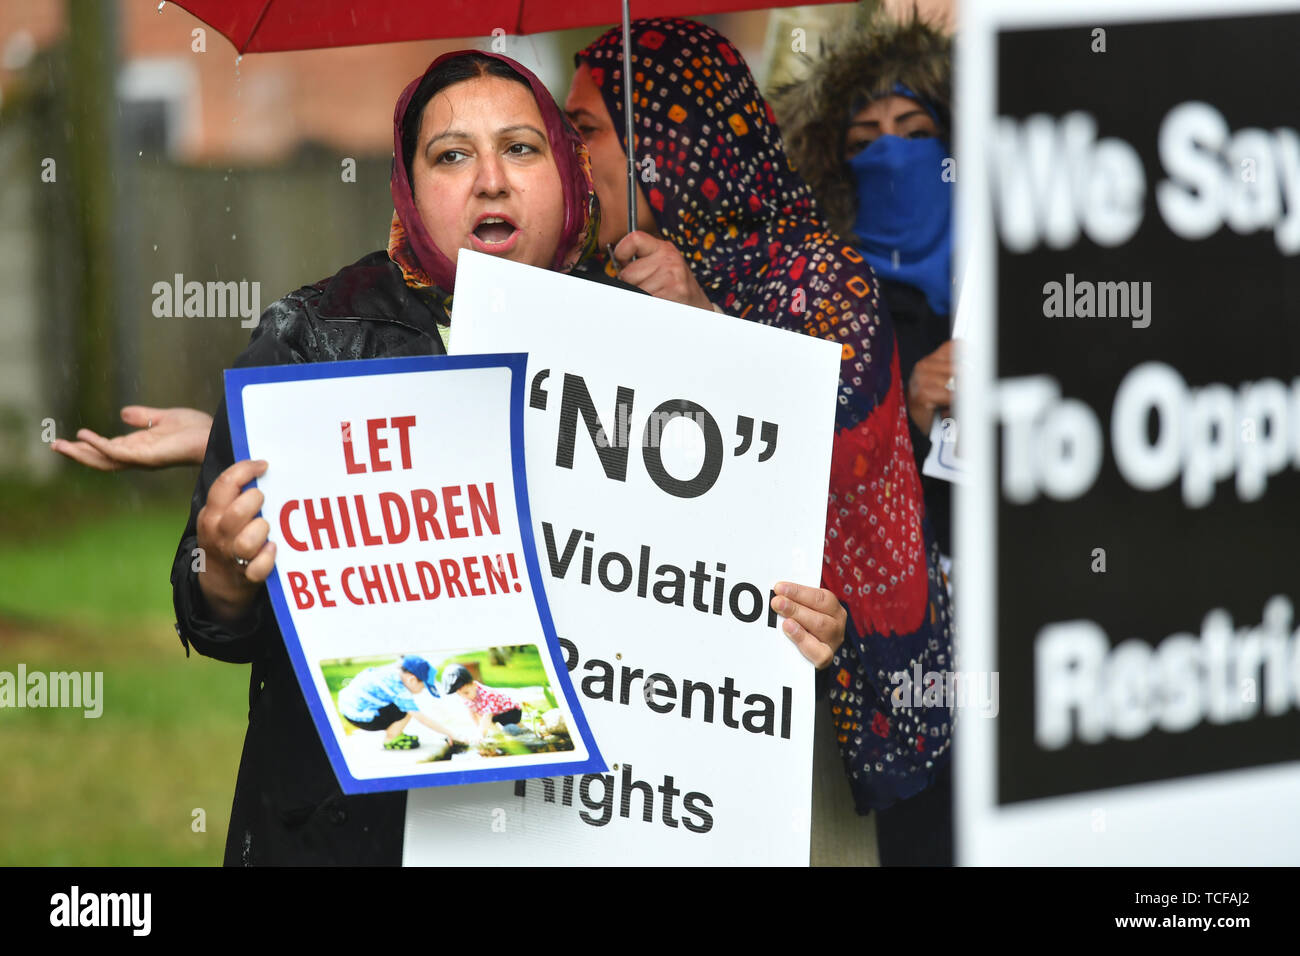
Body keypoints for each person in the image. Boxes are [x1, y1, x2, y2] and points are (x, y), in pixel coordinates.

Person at [171, 48, 846, 866]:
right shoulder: (314, 339)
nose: (490, 179)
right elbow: (215, 622)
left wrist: (796, 637)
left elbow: (712, 628)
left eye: (521, 148)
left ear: (568, 173)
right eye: (452, 156)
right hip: (356, 837)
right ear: (410, 190)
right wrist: (221, 570)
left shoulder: (659, 346)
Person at [566, 17, 955, 863]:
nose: (569, 150)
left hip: (802, 708)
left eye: (587, 128)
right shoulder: (584, 288)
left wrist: (706, 322)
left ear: (666, 144)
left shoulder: (820, 276)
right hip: (648, 709)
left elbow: (841, 449)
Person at [772, 12, 958, 865]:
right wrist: (908, 421)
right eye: (865, 135)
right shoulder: (828, 306)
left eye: (916, 133)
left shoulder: (1026, 283)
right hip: (902, 677)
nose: (890, 152)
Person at [337, 655, 467, 751]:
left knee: (403, 706)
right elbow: (421, 717)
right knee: (406, 710)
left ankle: (394, 733)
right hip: (360, 716)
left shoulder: (391, 673)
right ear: (412, 680)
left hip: (350, 707)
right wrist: (451, 734)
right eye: (423, 687)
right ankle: (391, 739)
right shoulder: (398, 687)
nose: (422, 690)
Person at [440, 663, 523, 737]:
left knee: (509, 729)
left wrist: (481, 735)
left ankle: (519, 727)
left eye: (466, 693)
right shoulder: (467, 696)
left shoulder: (488, 694)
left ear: (474, 685)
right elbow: (472, 714)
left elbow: (487, 716)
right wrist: (477, 728)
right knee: (486, 724)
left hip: (511, 712)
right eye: (459, 694)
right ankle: (497, 732)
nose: (464, 697)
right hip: (496, 713)